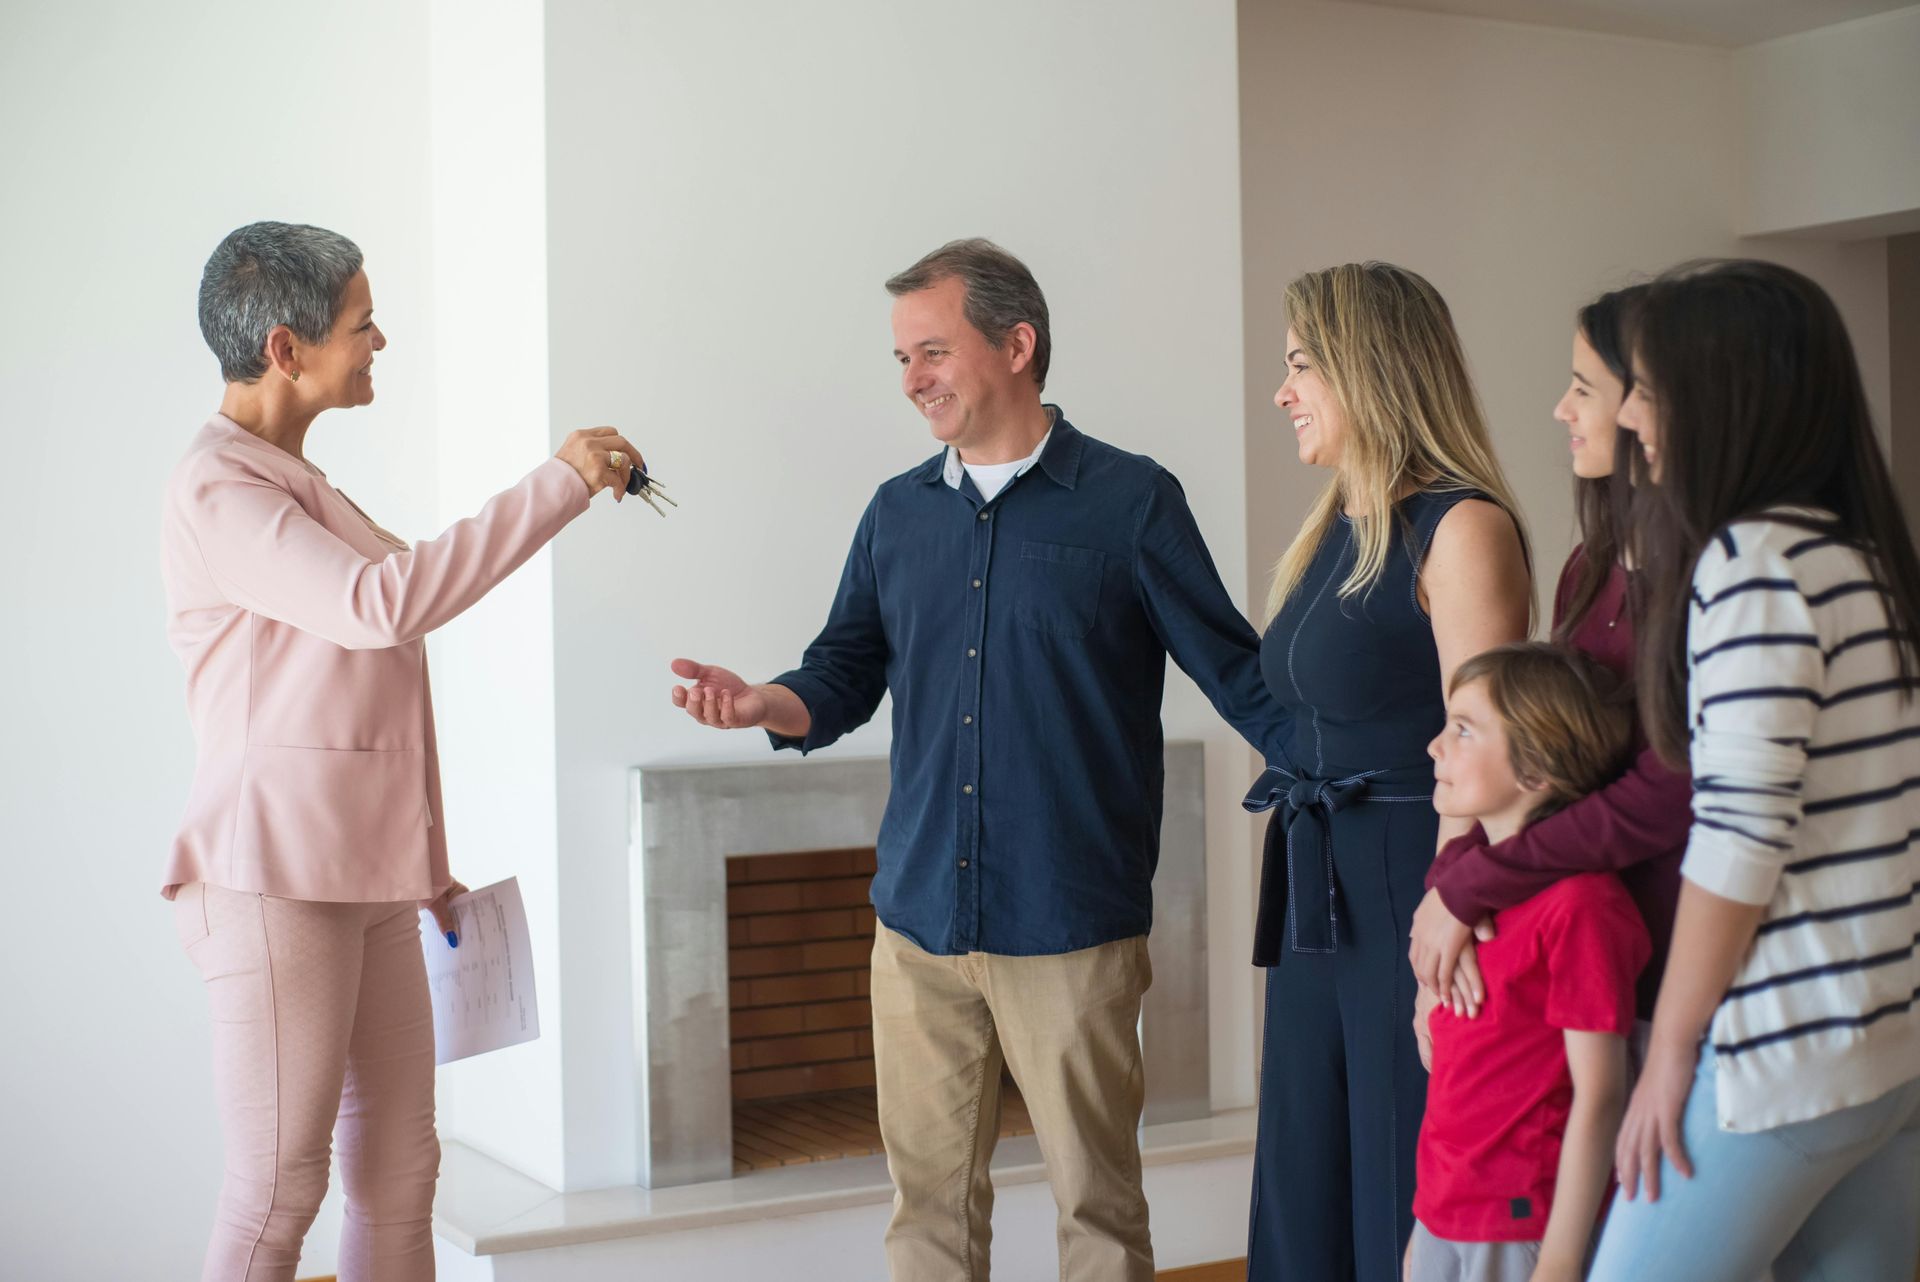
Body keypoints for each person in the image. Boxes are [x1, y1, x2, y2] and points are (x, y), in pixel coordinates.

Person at [668, 238, 1287, 1281]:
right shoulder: (897, 512)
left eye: (932, 351)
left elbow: (1240, 674)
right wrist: (762, 702)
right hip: (917, 923)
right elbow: (845, 667)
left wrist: (1371, 773)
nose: (911, 381)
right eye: (901, 358)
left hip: (1072, 924)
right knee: (928, 1217)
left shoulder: (1132, 502)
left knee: (1099, 1209)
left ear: (1016, 343)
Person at [163, 221, 645, 1281]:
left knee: (399, 1167)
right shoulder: (221, 489)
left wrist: (418, 860)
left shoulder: (300, 481)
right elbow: (383, 607)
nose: (381, 340)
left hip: (363, 877)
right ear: (286, 349)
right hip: (270, 877)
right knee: (279, 1188)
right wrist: (557, 483)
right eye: (361, 323)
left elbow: (360, 690)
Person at [1587, 259, 1920, 1281]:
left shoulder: (1753, 561)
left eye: (1646, 386)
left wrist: (1672, 1055)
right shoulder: (1860, 554)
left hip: (1777, 1060)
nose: (1634, 416)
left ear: (1716, 392)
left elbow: (1738, 839)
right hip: (1883, 1050)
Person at [1245, 260, 1533, 1281]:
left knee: (1397, 1154)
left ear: (1367, 371)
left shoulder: (1463, 526)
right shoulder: (1338, 523)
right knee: (1306, 1154)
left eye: (1301, 367)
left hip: (1416, 873)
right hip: (1318, 877)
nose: (1282, 392)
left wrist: (1451, 901)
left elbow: (1489, 740)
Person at [1411, 286, 1691, 1037]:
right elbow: (1540, 758)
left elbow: (1664, 796)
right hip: (1566, 942)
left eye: (1582, 390)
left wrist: (1473, 882)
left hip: (1674, 969)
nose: (1561, 411)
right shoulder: (1587, 568)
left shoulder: (1712, 583)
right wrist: (1450, 883)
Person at [1408, 643, 1648, 1282]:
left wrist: (1564, 1257)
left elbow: (1601, 1093)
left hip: (1521, 1226)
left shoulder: (1581, 907)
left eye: (1463, 730)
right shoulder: (1461, 887)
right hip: (1443, 1214)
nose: (1435, 746)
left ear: (1538, 768)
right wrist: (1426, 1227)